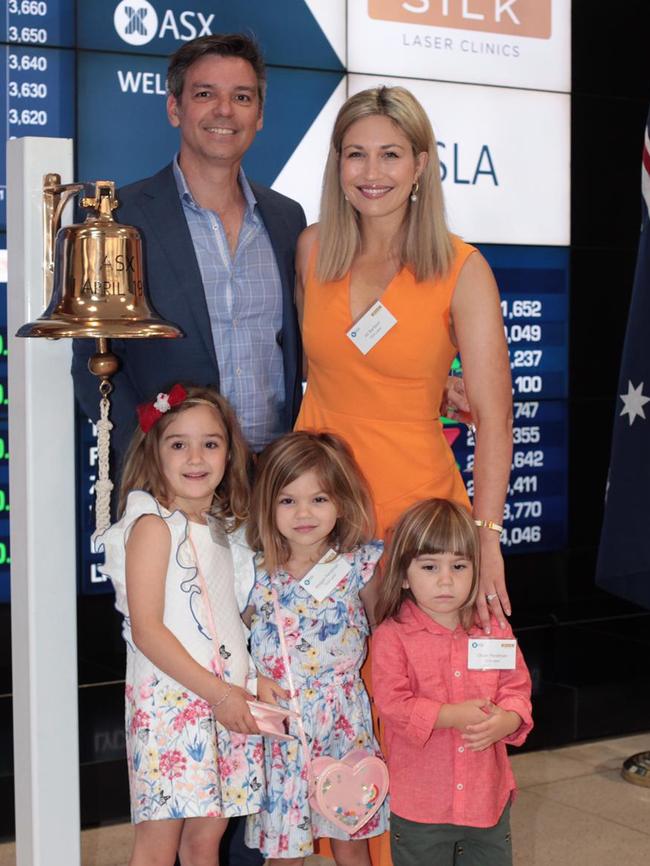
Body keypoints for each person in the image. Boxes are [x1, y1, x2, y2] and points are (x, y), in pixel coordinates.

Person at [294, 85, 512, 632]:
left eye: (390, 154)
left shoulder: (463, 269)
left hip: (417, 521)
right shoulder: (312, 249)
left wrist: (486, 538)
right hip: (314, 512)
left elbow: (495, 419)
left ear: (419, 165)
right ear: (337, 163)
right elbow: (320, 366)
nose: (373, 171)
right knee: (325, 695)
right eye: (356, 153)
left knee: (414, 699)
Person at [72, 33, 306, 463]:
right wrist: (152, 461)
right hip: (171, 488)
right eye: (204, 94)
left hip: (275, 482)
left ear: (259, 116)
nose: (224, 110)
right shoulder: (118, 217)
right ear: (174, 108)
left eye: (242, 96)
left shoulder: (288, 219)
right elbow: (93, 360)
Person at [95, 384, 286, 866]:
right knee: (158, 845)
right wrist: (220, 695)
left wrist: (247, 681)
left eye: (211, 443)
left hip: (226, 701)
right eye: (178, 443)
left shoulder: (225, 529)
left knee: (205, 841)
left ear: (229, 452)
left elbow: (227, 622)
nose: (195, 457)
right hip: (171, 708)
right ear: (154, 451)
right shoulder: (151, 525)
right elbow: (148, 631)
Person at [243, 431, 390, 865]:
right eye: (288, 501)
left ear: (342, 502)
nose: (303, 513)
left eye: (319, 500)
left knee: (351, 839)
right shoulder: (256, 573)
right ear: (267, 506)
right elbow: (233, 643)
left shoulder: (359, 566)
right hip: (284, 732)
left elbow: (386, 628)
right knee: (284, 853)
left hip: (345, 728)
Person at [372, 499, 532, 866]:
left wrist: (508, 719)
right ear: (402, 574)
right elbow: (393, 704)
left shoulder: (494, 628)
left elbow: (516, 688)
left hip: (486, 800)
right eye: (430, 566)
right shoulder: (393, 636)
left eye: (459, 566)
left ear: (477, 570)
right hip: (420, 806)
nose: (446, 580)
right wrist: (451, 714)